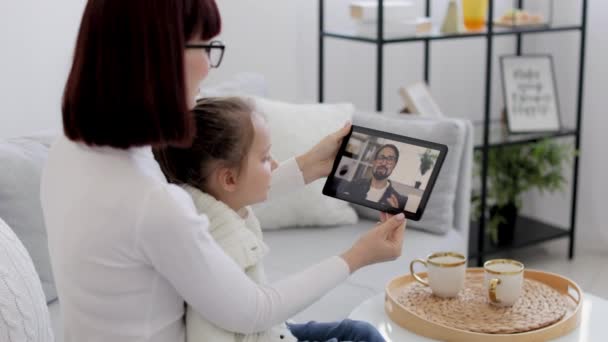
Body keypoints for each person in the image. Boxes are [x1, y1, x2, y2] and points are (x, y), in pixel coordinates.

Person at [40, 1, 406, 341]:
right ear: (160, 56)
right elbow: (254, 310)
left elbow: (209, 201)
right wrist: (359, 256)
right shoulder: (150, 202)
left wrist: (310, 166)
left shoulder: (69, 153)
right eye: (205, 47)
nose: (210, 65)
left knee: (355, 332)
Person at [153, 96, 386, 342]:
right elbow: (247, 317)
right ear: (229, 179)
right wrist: (360, 255)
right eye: (265, 158)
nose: (274, 163)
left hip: (267, 330)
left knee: (360, 332)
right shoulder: (221, 247)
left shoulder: (204, 205)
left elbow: (250, 185)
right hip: (259, 333)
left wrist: (314, 163)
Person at [339, 144, 408, 210]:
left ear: (394, 166)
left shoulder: (397, 201)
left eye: (390, 159)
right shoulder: (353, 185)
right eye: (381, 157)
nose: (383, 163)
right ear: (374, 162)